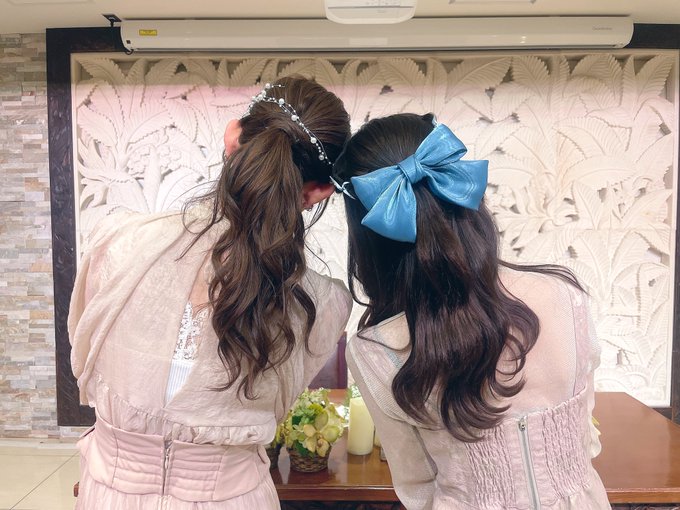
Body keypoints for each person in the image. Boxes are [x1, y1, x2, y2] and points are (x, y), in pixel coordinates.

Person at [68, 76, 353, 509]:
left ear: (233, 138)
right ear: (318, 192)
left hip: (109, 496)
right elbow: (274, 410)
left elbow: (82, 354)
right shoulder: (323, 303)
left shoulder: (115, 242)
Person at [332, 113, 610, 510]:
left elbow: (417, 485)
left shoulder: (377, 350)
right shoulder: (564, 296)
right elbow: (587, 440)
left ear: (367, 235)